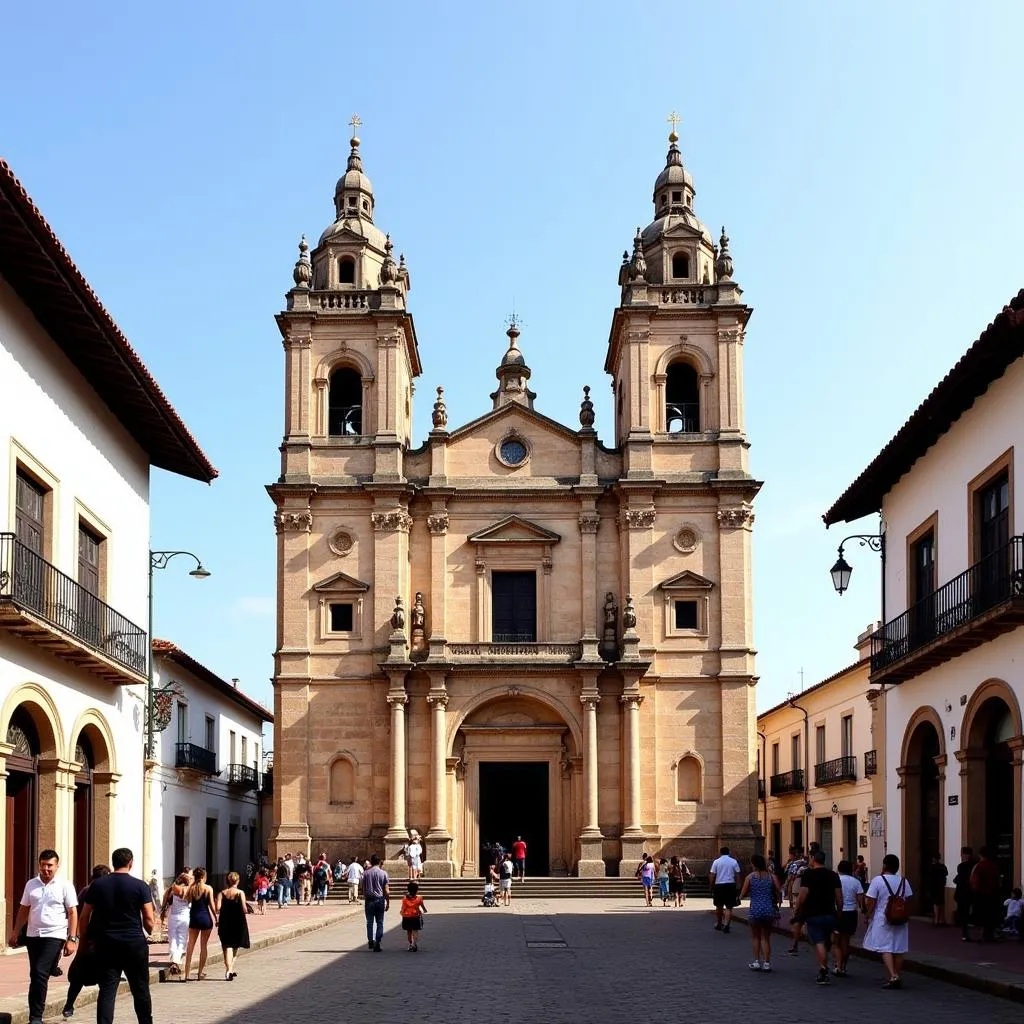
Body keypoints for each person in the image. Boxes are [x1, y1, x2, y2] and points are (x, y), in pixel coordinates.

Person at [78, 847, 155, 1024]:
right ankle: (145, 1021)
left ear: (113, 863)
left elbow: (84, 916)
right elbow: (149, 918)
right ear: (131, 863)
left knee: (107, 989)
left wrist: (84, 939)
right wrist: (150, 930)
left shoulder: (97, 885)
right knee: (140, 988)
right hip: (134, 943)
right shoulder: (140, 886)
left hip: (105, 943)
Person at [9, 849, 79, 1024]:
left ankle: (35, 1017)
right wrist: (15, 932)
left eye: (50, 866)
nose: (46, 869)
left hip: (55, 934)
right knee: (36, 974)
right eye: (43, 865)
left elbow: (72, 912)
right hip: (34, 935)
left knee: (40, 973)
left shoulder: (65, 885)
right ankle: (52, 965)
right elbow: (24, 909)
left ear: (57, 866)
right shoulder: (31, 884)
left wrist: (72, 938)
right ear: (39, 865)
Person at [62, 864, 110, 1018]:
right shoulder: (87, 892)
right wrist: (75, 936)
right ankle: (69, 1005)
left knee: (103, 980)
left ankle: (72, 1006)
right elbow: (79, 914)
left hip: (102, 941)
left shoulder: (108, 891)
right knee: (78, 976)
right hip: (90, 941)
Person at [863, 852, 913, 989]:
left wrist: (867, 915)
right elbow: (908, 899)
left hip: (882, 917)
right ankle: (896, 974)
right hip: (900, 918)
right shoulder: (904, 880)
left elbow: (871, 901)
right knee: (899, 948)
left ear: (884, 865)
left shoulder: (878, 880)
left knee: (885, 947)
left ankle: (892, 975)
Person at [793, 849, 842, 985]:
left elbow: (803, 894)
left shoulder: (808, 874)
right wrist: (839, 911)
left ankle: (823, 969)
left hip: (814, 914)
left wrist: (797, 909)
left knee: (819, 942)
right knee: (827, 942)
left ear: (813, 859)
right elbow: (839, 896)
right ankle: (831, 965)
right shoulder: (833, 875)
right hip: (830, 913)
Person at [739, 854, 781, 972]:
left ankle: (757, 962)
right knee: (766, 938)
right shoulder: (772, 877)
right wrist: (778, 903)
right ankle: (767, 963)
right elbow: (779, 891)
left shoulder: (750, 877)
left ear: (754, 864)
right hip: (768, 910)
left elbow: (742, 894)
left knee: (756, 937)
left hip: (755, 910)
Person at [183, 866, 217, 980]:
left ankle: (187, 973)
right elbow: (212, 906)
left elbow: (186, 900)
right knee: (203, 946)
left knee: (190, 946)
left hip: (194, 918)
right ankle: (200, 973)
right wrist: (216, 918)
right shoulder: (208, 888)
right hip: (205, 918)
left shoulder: (191, 889)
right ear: (203, 876)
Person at [216, 872, 250, 980]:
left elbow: (218, 907)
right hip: (238, 921)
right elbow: (244, 909)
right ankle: (229, 970)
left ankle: (229, 970)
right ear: (238, 881)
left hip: (225, 920)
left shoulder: (221, 893)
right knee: (235, 945)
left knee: (226, 946)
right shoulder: (240, 893)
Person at [833, 859, 863, 976]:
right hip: (851, 913)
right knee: (846, 941)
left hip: (837, 912)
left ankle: (838, 966)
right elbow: (861, 900)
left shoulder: (836, 880)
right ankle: (844, 966)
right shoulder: (856, 882)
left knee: (836, 942)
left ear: (839, 869)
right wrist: (864, 912)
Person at [159, 870, 192, 975]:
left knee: (172, 938)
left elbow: (164, 904)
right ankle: (177, 961)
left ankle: (174, 959)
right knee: (182, 939)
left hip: (172, 916)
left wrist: (162, 917)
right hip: (185, 917)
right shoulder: (188, 890)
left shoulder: (171, 890)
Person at [971, 846, 1001, 942]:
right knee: (991, 915)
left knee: (981, 916)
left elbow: (974, 880)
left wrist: (975, 890)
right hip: (993, 894)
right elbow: (998, 880)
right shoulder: (994, 865)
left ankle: (982, 935)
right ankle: (990, 935)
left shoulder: (979, 866)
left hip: (981, 894)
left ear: (981, 855)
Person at [709, 846, 741, 932]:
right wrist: (738, 885)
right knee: (729, 906)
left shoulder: (716, 862)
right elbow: (737, 874)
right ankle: (727, 924)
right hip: (730, 885)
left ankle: (719, 923)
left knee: (719, 906)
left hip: (719, 885)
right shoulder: (733, 861)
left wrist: (711, 885)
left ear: (720, 852)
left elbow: (712, 874)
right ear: (729, 852)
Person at [362, 854, 390, 952]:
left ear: (371, 861)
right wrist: (388, 902)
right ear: (379, 862)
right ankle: (378, 941)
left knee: (369, 922)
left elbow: (363, 888)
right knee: (380, 922)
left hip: (369, 900)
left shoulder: (365, 873)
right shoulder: (383, 873)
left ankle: (370, 940)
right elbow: (386, 890)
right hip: (379, 900)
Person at [784, 846, 808, 955]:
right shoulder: (808, 863)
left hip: (797, 889)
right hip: (808, 890)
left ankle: (795, 944)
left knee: (797, 915)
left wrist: (786, 887)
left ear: (793, 854)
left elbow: (790, 878)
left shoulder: (794, 864)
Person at [953, 846, 975, 941]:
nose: (961, 856)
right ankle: (966, 933)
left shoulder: (962, 866)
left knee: (963, 913)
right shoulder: (974, 865)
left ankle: (965, 933)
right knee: (966, 912)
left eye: (963, 854)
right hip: (970, 892)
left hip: (963, 893)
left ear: (967, 855)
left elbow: (959, 879)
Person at [400, 881, 428, 951]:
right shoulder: (419, 898)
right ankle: (414, 944)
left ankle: (410, 944)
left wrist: (402, 913)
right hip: (416, 916)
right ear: (416, 890)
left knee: (409, 931)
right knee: (415, 930)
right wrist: (424, 910)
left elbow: (403, 908)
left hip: (407, 917)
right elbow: (422, 906)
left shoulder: (405, 899)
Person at [927, 853, 948, 926]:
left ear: (933, 859)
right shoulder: (943, 866)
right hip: (941, 887)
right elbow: (946, 874)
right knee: (941, 903)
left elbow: (929, 878)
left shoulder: (931, 867)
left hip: (934, 887)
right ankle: (942, 920)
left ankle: (936, 921)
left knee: (935, 904)